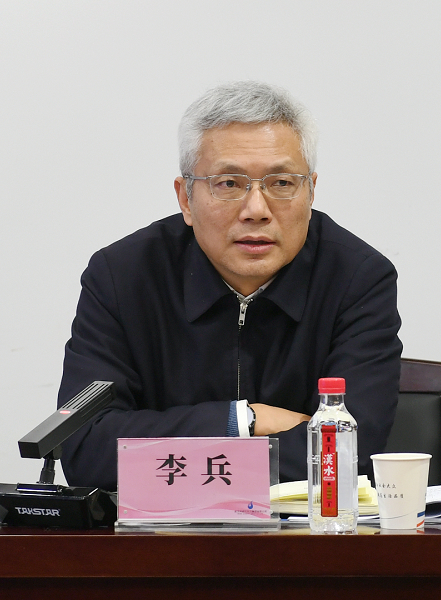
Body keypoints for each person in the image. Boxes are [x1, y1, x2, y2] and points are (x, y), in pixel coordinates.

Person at [57, 81, 402, 491]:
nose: (256, 210)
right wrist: (243, 420)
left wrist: (163, 452)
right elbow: (86, 448)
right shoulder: (123, 276)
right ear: (186, 199)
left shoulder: (358, 279)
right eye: (229, 184)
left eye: (281, 183)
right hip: (163, 530)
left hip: (305, 531)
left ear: (311, 191)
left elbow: (346, 453)